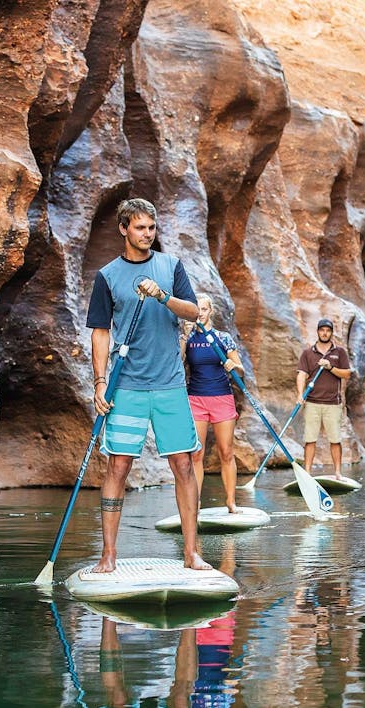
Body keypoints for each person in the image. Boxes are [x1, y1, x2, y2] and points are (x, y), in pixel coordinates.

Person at [86, 198, 210, 572]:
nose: (147, 234)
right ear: (124, 229)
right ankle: (108, 555)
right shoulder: (107, 276)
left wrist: (162, 295)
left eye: (152, 228)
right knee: (118, 467)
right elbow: (100, 333)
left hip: (170, 383)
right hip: (126, 386)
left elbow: (193, 312)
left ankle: (191, 553)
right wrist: (99, 380)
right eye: (140, 228)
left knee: (184, 466)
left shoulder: (170, 266)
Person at [183, 295, 243, 513]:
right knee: (196, 454)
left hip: (221, 398)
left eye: (204, 309)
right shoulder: (188, 338)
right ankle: (195, 503)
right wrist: (183, 335)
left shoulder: (222, 338)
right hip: (196, 399)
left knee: (226, 452)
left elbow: (240, 368)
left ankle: (230, 502)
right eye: (197, 309)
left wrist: (231, 364)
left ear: (211, 312)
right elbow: (179, 362)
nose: (200, 313)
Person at [295, 318, 353, 478]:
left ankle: (338, 473)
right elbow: (301, 375)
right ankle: (307, 473)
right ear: (318, 332)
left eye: (328, 330)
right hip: (312, 402)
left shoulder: (339, 352)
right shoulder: (308, 353)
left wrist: (331, 367)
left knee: (335, 439)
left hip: (333, 404)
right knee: (309, 439)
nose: (325, 333)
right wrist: (300, 394)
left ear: (331, 333)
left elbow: (347, 374)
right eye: (322, 330)